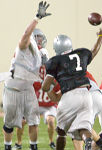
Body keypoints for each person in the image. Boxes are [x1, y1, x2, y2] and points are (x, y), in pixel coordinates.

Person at [42, 28, 102, 150]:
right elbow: (94, 51)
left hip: (69, 96)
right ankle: (87, 140)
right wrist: (100, 37)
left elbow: (45, 87)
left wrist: (46, 77)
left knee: (61, 132)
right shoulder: (81, 54)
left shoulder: (54, 61)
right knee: (83, 127)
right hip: (86, 95)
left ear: (57, 48)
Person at [2, 1, 51, 150]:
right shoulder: (23, 47)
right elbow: (25, 34)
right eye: (38, 38)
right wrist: (36, 18)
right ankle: (8, 146)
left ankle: (33, 147)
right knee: (9, 123)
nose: (40, 41)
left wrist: (46, 62)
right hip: (13, 88)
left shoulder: (41, 53)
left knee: (34, 120)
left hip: (28, 88)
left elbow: (46, 71)